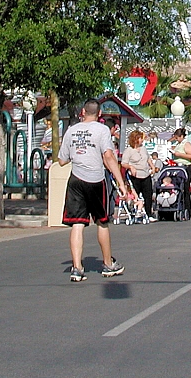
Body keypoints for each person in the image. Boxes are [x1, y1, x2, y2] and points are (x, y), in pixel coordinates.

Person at [59, 100, 129, 281]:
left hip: (76, 179)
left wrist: (79, 152)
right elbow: (108, 156)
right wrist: (121, 182)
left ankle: (77, 267)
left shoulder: (71, 130)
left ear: (83, 111)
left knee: (77, 223)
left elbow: (62, 160)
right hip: (96, 180)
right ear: (99, 115)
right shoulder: (102, 130)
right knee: (102, 221)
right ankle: (107, 263)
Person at [122, 130, 156, 220]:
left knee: (148, 195)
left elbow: (148, 158)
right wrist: (130, 167)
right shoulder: (129, 151)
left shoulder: (143, 148)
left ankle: (149, 214)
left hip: (145, 174)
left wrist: (152, 166)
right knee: (135, 195)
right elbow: (123, 163)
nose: (142, 140)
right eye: (140, 138)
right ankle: (135, 212)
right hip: (135, 176)